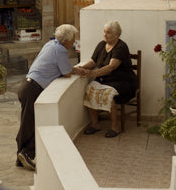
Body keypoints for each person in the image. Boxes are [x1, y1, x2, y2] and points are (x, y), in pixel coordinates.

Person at [16, 24, 81, 171]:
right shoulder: (61, 50)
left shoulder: (50, 44)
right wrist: (76, 70)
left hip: (26, 85)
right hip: (33, 88)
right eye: (73, 39)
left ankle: (21, 157)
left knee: (27, 123)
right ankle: (26, 153)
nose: (74, 42)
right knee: (32, 123)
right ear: (67, 40)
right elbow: (66, 72)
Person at [74, 20, 137, 138]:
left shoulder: (121, 47)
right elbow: (93, 61)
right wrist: (81, 68)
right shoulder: (102, 44)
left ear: (116, 35)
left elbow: (111, 67)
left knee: (109, 94)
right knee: (89, 91)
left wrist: (92, 73)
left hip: (123, 81)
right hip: (106, 79)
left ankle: (115, 127)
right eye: (104, 32)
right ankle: (95, 124)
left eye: (108, 32)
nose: (104, 34)